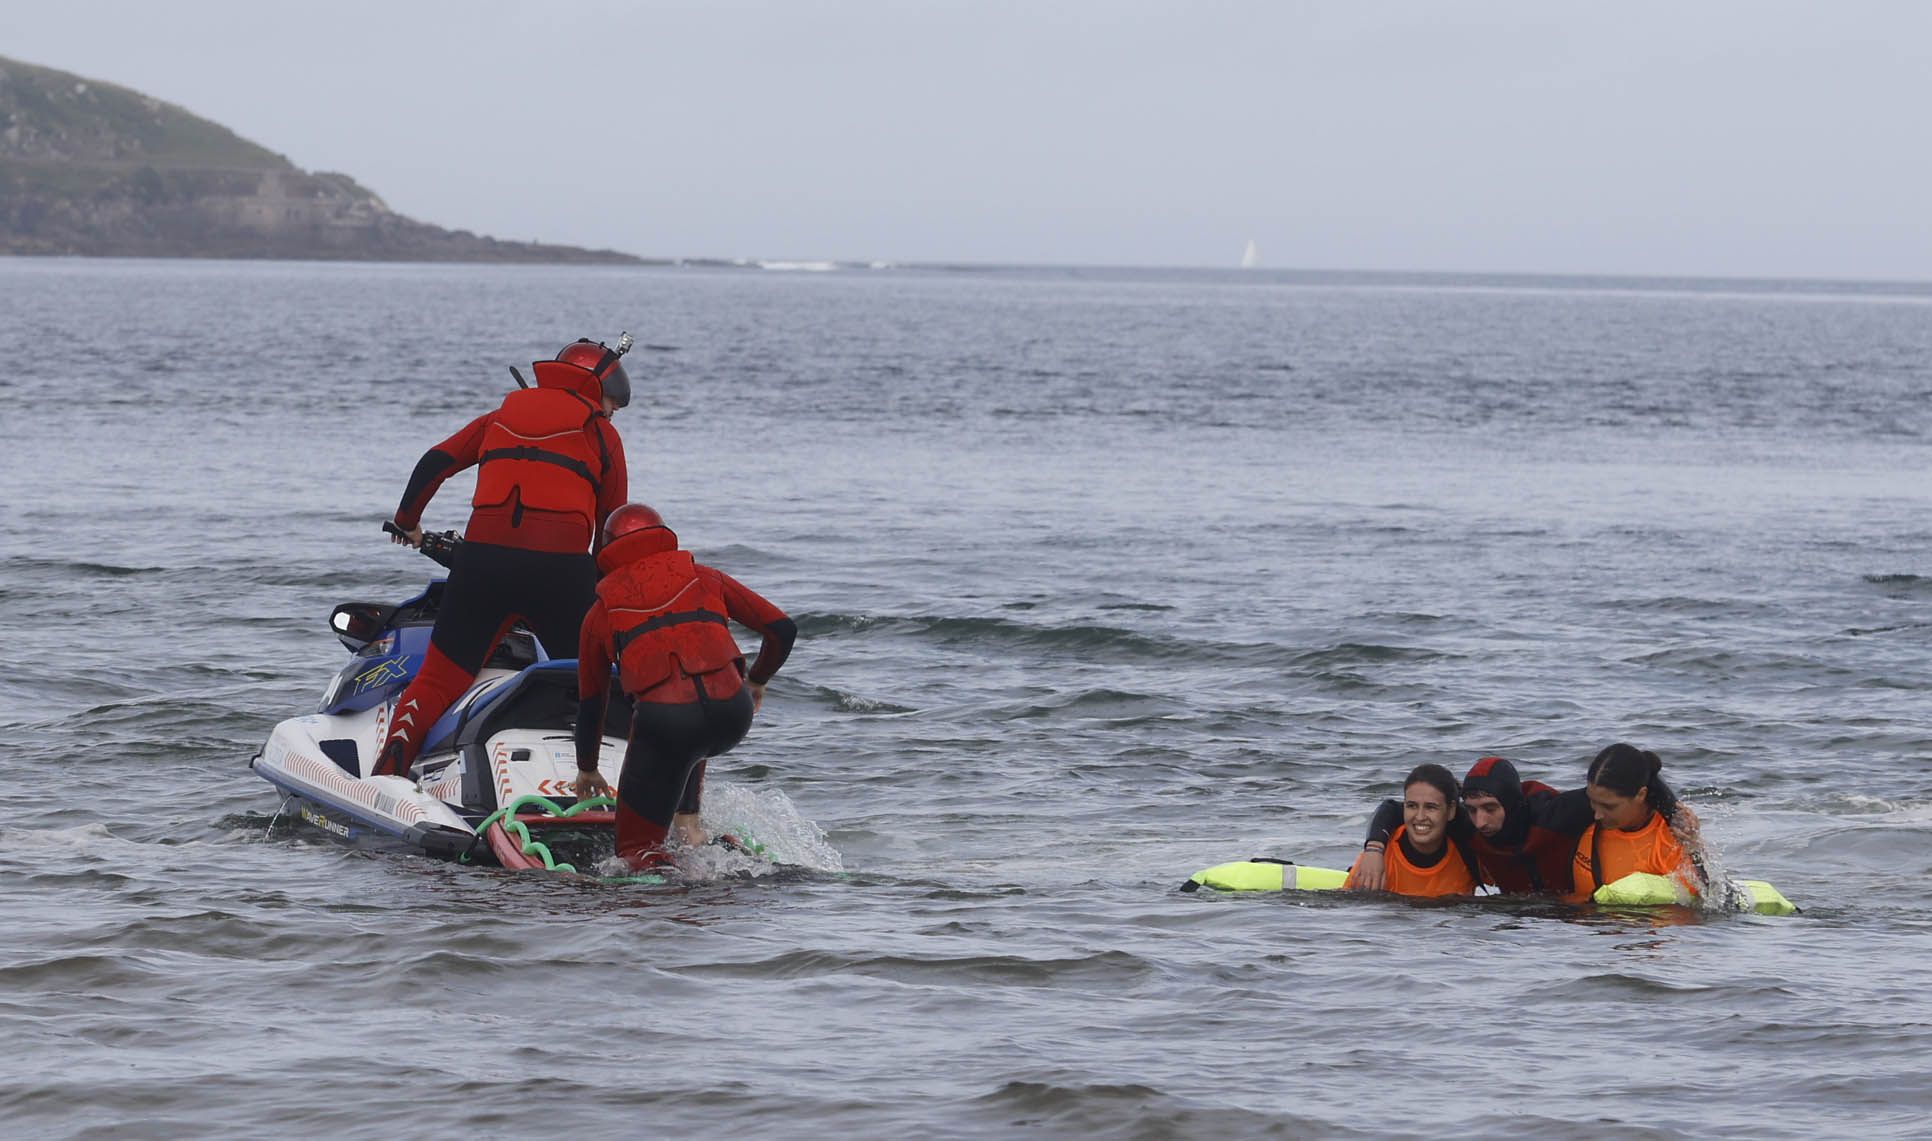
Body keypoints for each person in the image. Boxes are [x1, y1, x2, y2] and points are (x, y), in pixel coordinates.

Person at [371, 337, 632, 778]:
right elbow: (611, 532)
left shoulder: (499, 418)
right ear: (596, 392)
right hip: (560, 573)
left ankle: (386, 774)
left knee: (437, 679)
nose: (611, 413)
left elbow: (435, 461)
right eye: (612, 404)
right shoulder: (602, 435)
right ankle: (609, 780)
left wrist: (408, 521)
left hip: (481, 567)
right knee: (595, 684)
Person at [570, 503, 797, 870]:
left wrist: (588, 769)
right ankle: (691, 829)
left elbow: (592, 703)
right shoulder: (706, 577)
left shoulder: (599, 613)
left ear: (607, 550)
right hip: (733, 713)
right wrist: (757, 680)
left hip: (669, 724)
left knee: (633, 853)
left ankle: (662, 898)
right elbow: (783, 630)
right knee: (692, 719)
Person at [1353, 756, 1594, 895]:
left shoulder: (1555, 815)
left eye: (1490, 809)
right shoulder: (1463, 821)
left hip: (1571, 928)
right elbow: (1395, 809)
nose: (1480, 822)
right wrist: (1374, 849)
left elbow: (1613, 794)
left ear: (1512, 804)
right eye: (1472, 810)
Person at [1568, 743, 1706, 903]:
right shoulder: (1581, 816)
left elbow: (1701, 901)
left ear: (1641, 795)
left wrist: (1694, 847)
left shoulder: (1671, 839)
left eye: (1609, 807)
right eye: (1592, 801)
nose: (1597, 814)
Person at [1343, 763, 1481, 898]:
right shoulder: (1376, 858)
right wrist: (1374, 849)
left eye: (1431, 807)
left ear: (1451, 810)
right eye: (1412, 806)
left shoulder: (1469, 852)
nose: (1420, 817)